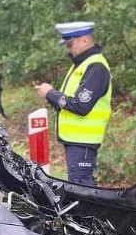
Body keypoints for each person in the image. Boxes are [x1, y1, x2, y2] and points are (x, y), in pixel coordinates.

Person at [34, 21, 111, 186]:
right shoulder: (82, 64)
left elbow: (80, 106)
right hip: (76, 140)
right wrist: (51, 96)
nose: (68, 50)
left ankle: (86, 206)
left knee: (81, 187)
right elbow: (68, 102)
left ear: (84, 40)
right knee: (78, 186)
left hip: (83, 140)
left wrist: (50, 93)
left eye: (70, 45)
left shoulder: (95, 67)